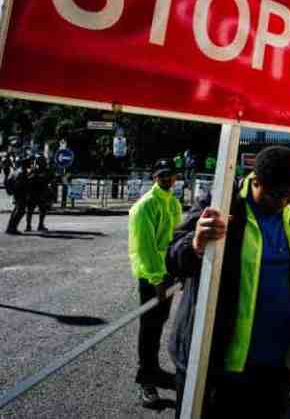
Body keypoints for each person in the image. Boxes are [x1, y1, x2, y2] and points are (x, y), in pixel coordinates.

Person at [168, 146, 290, 417]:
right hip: (217, 365)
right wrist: (196, 243)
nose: (284, 201)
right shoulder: (222, 203)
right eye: (276, 195)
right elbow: (174, 258)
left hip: (277, 364)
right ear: (255, 181)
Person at [129, 159, 183, 408]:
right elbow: (145, 247)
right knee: (149, 328)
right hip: (153, 278)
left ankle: (154, 370)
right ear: (154, 177)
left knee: (158, 325)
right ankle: (146, 379)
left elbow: (176, 239)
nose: (167, 180)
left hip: (167, 275)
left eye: (170, 176)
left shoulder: (172, 202)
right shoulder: (146, 206)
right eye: (162, 176)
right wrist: (157, 279)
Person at [25, 155, 55, 232]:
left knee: (42, 210)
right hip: (33, 193)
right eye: (41, 161)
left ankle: (40, 225)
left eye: (43, 161)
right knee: (30, 211)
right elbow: (27, 179)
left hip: (42, 193)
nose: (43, 162)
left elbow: (52, 179)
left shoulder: (47, 170)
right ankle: (29, 226)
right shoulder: (33, 170)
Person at [4, 158, 33, 234]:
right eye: (29, 163)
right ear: (25, 164)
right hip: (20, 194)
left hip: (17, 193)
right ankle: (13, 228)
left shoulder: (17, 171)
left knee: (16, 211)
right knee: (20, 211)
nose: (30, 164)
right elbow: (21, 184)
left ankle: (10, 227)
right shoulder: (22, 172)